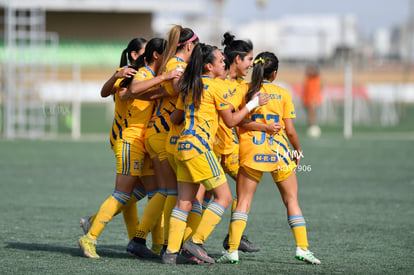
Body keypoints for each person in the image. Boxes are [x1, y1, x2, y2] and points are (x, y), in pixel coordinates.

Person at [162, 43, 269, 264]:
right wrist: (252, 105)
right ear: (209, 66)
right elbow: (230, 121)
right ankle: (196, 242)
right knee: (225, 197)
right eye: (221, 60)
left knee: (184, 202)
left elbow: (175, 118)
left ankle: (171, 253)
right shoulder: (217, 87)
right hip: (200, 147)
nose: (224, 63)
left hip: (182, 146)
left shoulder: (190, 85)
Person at [78, 38, 180, 259]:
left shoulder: (150, 77)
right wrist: (117, 77)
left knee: (154, 193)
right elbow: (116, 93)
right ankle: (91, 235)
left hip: (144, 143)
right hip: (129, 140)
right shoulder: (136, 74)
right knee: (123, 194)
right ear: (154, 55)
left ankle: (152, 243)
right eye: (167, 55)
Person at [217, 52, 321, 264]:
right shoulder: (282, 93)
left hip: (251, 152)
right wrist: (297, 150)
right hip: (280, 152)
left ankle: (233, 250)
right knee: (291, 200)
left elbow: (234, 119)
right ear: (274, 74)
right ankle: (303, 248)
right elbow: (290, 130)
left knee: (244, 202)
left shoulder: (243, 90)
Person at [125, 25, 198, 258]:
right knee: (170, 192)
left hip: (158, 133)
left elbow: (163, 91)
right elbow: (177, 86)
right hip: (163, 134)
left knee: (166, 192)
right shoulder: (177, 64)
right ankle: (168, 245)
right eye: (195, 47)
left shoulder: (174, 64)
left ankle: (154, 241)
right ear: (188, 46)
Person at [80, 37, 148, 244]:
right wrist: (116, 75)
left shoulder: (143, 73)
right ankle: (93, 224)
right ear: (135, 55)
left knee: (136, 191)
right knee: (128, 192)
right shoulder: (129, 72)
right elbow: (105, 92)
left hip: (136, 139)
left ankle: (134, 241)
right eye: (145, 51)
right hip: (126, 138)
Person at [303, 64, 322, 138]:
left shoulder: (317, 78)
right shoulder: (307, 78)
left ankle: (313, 126)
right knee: (309, 114)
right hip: (307, 98)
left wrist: (314, 98)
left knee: (312, 113)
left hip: (314, 99)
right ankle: (311, 126)